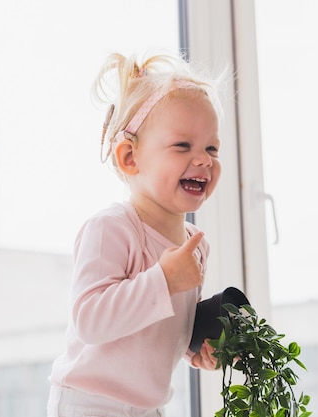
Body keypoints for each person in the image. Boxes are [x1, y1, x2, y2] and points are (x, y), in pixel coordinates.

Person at [47, 50, 226, 417]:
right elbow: (90, 320)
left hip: (148, 407)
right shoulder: (112, 228)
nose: (205, 160)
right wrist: (162, 279)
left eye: (212, 148)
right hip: (89, 403)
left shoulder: (196, 245)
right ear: (130, 158)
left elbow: (164, 325)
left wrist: (197, 349)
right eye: (183, 145)